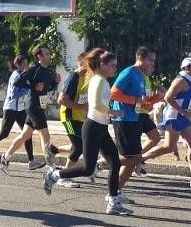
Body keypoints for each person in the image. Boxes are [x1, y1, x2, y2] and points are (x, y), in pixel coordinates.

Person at [43, 49, 132, 216]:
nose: (115, 69)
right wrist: (115, 112)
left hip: (101, 127)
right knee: (87, 169)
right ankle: (54, 175)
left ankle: (113, 202)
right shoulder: (99, 81)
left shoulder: (101, 80)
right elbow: (96, 105)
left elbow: (101, 104)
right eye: (112, 65)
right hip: (93, 128)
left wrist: (110, 111)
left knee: (115, 163)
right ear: (102, 65)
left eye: (116, 66)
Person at [142, 57, 191, 188]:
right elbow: (168, 97)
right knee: (168, 147)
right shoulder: (181, 80)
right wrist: (182, 111)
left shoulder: (187, 80)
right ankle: (139, 160)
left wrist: (185, 112)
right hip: (174, 117)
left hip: (181, 118)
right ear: (187, 68)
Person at [0, 46, 61, 172]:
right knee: (45, 137)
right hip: (33, 106)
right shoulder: (33, 69)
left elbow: (47, 88)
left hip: (40, 107)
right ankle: (52, 167)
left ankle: (5, 157)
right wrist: (33, 86)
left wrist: (56, 82)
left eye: (49, 53)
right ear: (39, 57)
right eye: (47, 54)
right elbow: (18, 82)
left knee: (25, 135)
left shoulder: (49, 72)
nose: (50, 55)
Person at [109, 47, 156, 204]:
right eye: (150, 60)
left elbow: (140, 101)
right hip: (123, 119)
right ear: (140, 58)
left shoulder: (141, 76)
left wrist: (155, 99)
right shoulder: (128, 72)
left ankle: (115, 192)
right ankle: (102, 163)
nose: (152, 63)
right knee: (133, 160)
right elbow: (114, 93)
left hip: (133, 119)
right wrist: (135, 101)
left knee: (134, 160)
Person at [0, 55, 37, 169]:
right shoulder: (15, 75)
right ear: (18, 65)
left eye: (27, 63)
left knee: (27, 134)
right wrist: (28, 89)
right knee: (4, 133)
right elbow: (14, 94)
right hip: (11, 108)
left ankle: (31, 161)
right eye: (24, 64)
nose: (26, 66)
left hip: (20, 109)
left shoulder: (24, 75)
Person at [54, 52, 89, 188]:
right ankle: (64, 176)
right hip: (69, 116)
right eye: (89, 62)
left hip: (79, 116)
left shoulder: (87, 78)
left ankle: (54, 150)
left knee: (80, 144)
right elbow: (61, 99)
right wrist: (81, 106)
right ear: (81, 63)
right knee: (79, 147)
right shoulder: (73, 76)